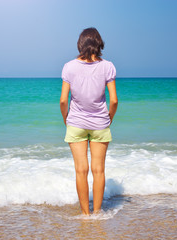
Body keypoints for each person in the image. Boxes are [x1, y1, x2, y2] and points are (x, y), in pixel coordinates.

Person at [60, 27, 118, 215]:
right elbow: (114, 100)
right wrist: (108, 119)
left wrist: (66, 119)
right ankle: (97, 213)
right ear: (99, 43)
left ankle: (85, 215)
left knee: (80, 170)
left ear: (80, 44)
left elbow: (63, 100)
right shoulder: (107, 66)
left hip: (75, 123)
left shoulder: (69, 66)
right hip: (100, 123)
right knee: (99, 170)